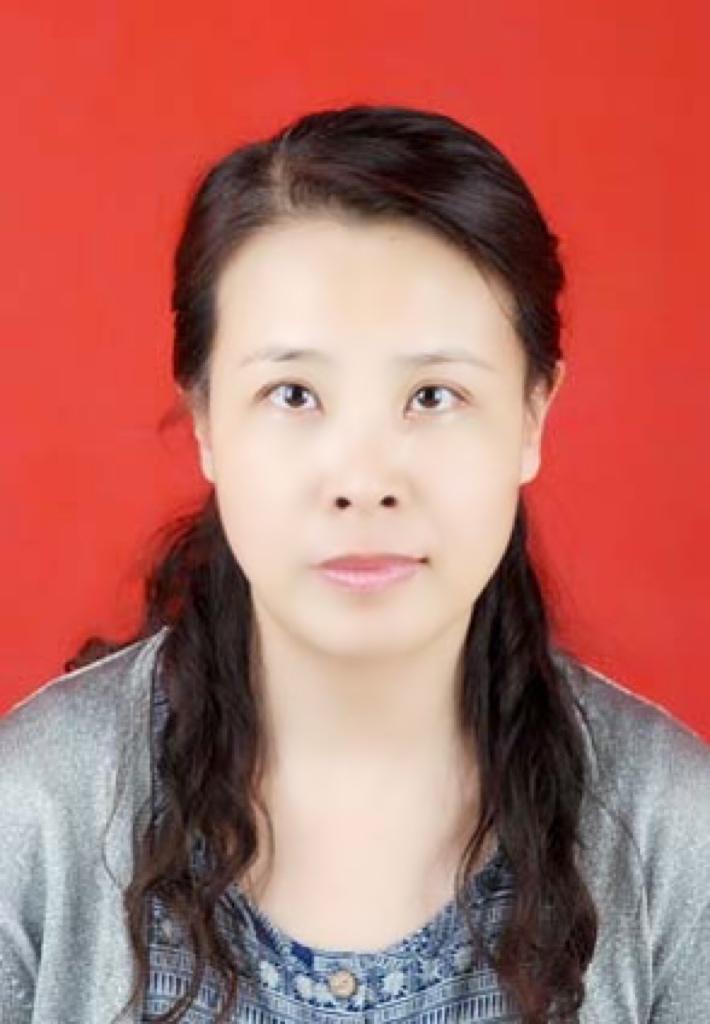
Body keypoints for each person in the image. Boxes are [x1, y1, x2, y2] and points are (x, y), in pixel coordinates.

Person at [0, 103, 708, 1024]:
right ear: (207, 419)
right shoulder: (31, 816)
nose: (364, 483)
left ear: (534, 414)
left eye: (434, 395)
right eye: (293, 394)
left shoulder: (673, 833)